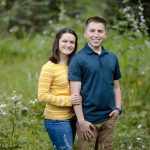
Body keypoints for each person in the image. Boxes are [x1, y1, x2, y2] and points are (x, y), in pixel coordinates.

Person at [68, 16, 122, 150]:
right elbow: (75, 94)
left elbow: (116, 86)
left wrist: (118, 108)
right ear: (85, 34)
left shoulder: (112, 58)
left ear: (105, 35)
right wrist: (81, 122)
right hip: (88, 121)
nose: (96, 35)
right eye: (92, 31)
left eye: (100, 31)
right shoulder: (78, 59)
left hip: (109, 119)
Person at [38, 28, 81, 150]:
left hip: (72, 118)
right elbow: (42, 95)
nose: (68, 45)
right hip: (56, 120)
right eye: (65, 41)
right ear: (58, 42)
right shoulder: (49, 67)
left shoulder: (74, 64)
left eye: (72, 42)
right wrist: (69, 101)